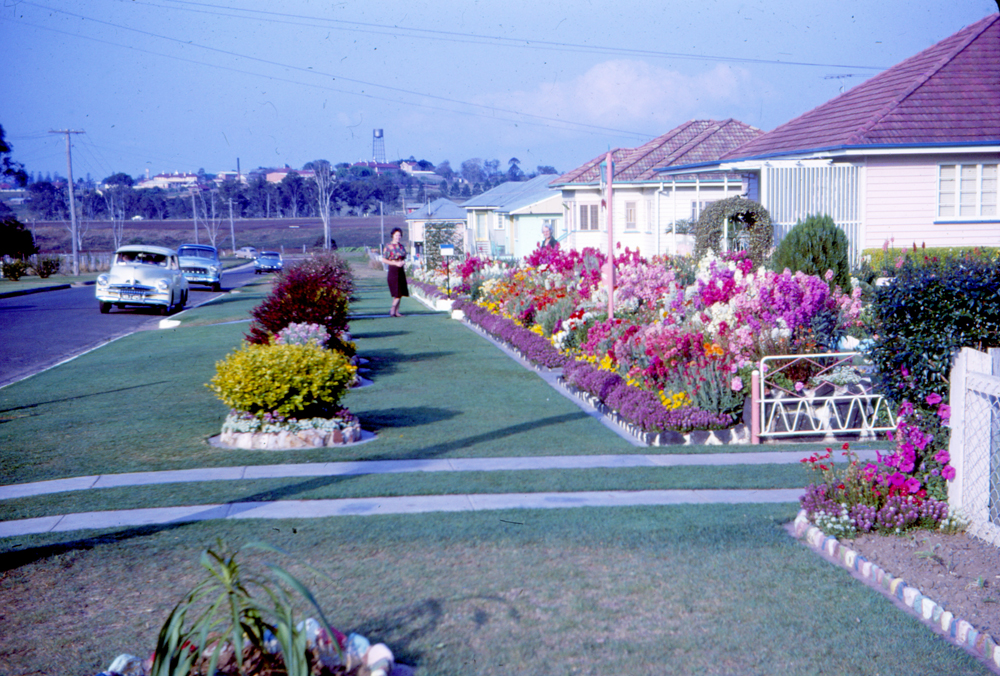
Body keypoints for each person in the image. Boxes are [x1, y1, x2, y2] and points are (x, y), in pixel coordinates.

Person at [382, 227, 409, 317]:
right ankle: (392, 309)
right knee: (396, 291)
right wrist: (395, 263)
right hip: (393, 270)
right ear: (393, 235)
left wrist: (402, 262)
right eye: (396, 235)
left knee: (400, 291)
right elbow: (384, 259)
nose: (398, 237)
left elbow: (404, 257)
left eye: (399, 235)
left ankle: (396, 311)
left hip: (401, 269)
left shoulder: (401, 246)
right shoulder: (388, 246)